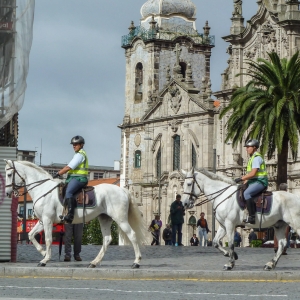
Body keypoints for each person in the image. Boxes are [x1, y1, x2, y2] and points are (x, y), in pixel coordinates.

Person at [53, 135, 89, 224]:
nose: (74, 146)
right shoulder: (77, 154)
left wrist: (57, 174)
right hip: (74, 178)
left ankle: (70, 215)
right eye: (73, 144)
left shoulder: (80, 155)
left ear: (81, 145)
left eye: (76, 144)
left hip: (80, 179)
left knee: (69, 192)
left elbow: (68, 167)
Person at [234, 139, 268, 224]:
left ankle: (252, 216)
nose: (246, 149)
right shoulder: (252, 158)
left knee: (247, 193)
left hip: (260, 182)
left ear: (254, 147)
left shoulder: (257, 158)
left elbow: (253, 173)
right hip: (253, 182)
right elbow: (250, 175)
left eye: (248, 147)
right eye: (246, 147)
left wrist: (241, 178)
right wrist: (244, 182)